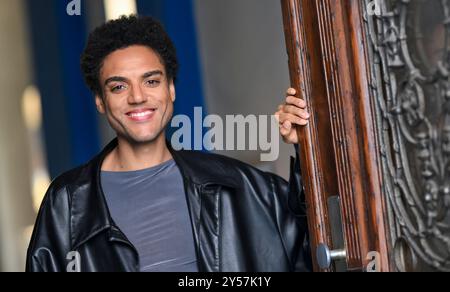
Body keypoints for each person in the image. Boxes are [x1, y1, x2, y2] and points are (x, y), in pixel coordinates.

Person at [26, 15, 311, 272]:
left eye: (151, 81)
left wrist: (306, 149)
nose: (138, 97)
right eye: (119, 86)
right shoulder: (68, 203)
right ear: (100, 100)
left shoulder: (239, 185)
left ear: (171, 89)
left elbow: (314, 247)